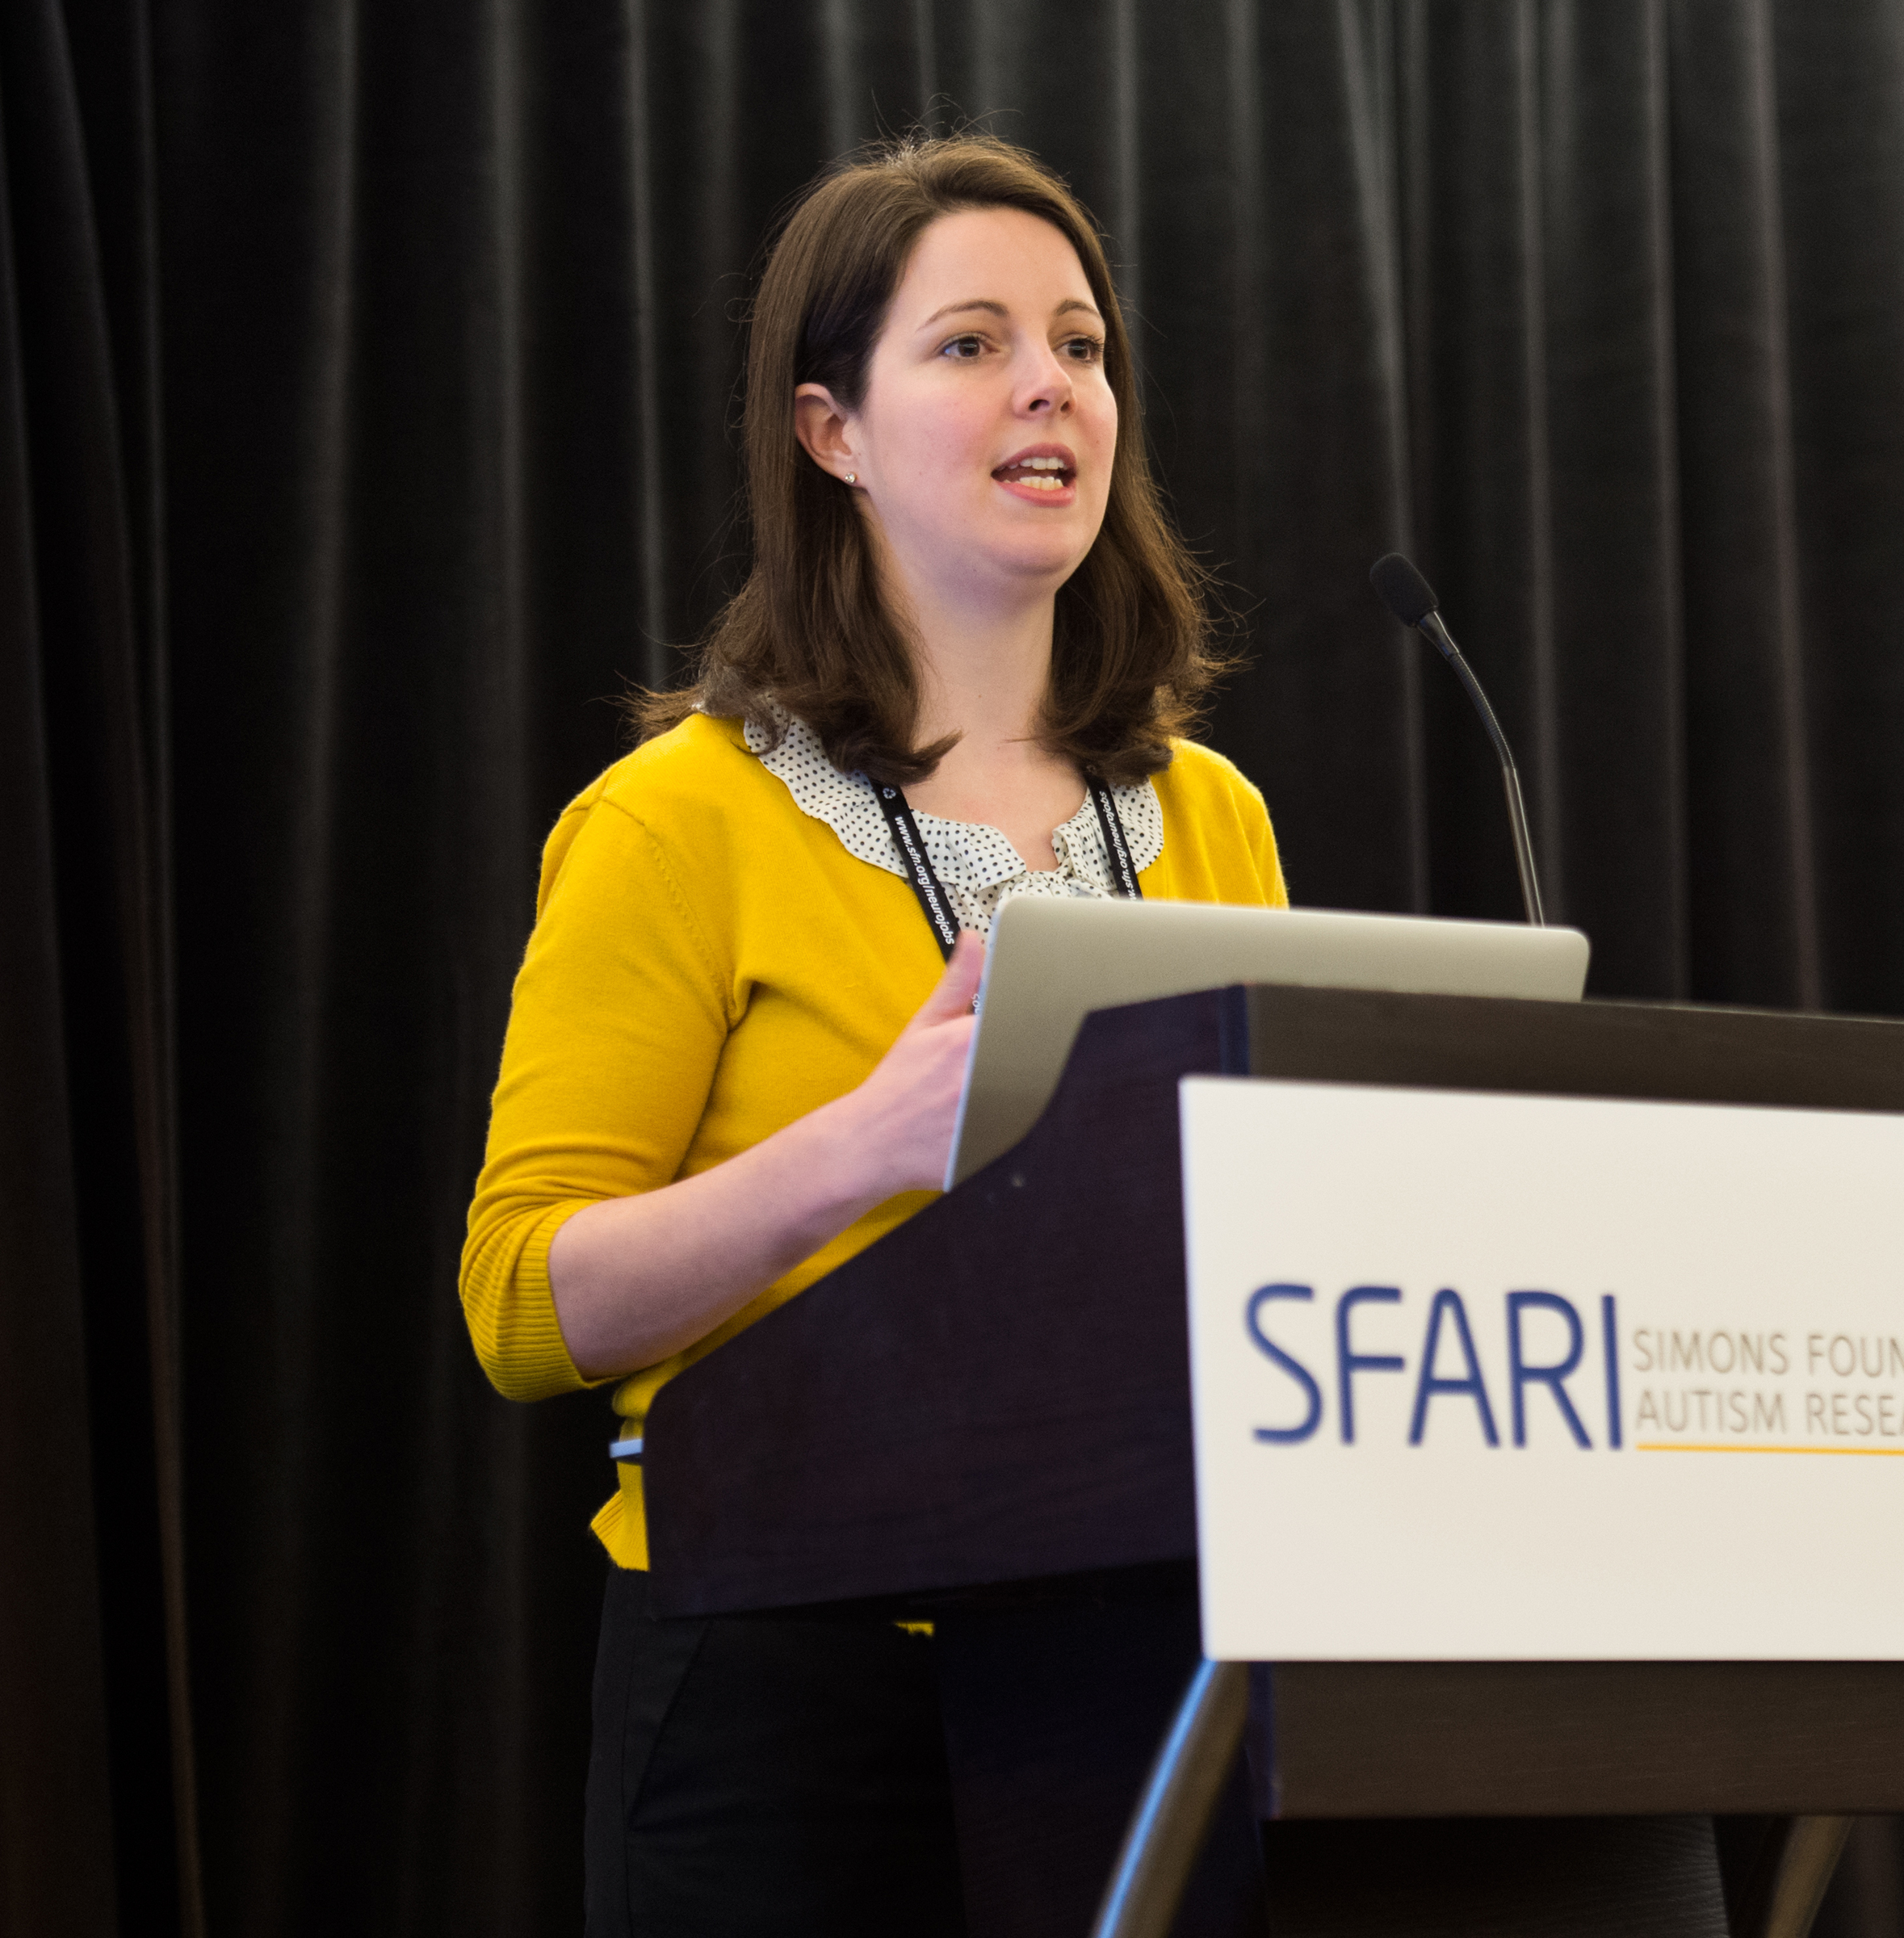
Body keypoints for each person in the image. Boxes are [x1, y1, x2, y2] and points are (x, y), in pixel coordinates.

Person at [459, 134, 1285, 1936]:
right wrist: (880, 1137)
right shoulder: (678, 820)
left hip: (1141, 1676)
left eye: (1079, 343)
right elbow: (524, 1304)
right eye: (972, 343)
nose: (1051, 383)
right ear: (832, 432)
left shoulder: (1213, 818)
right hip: (786, 1687)